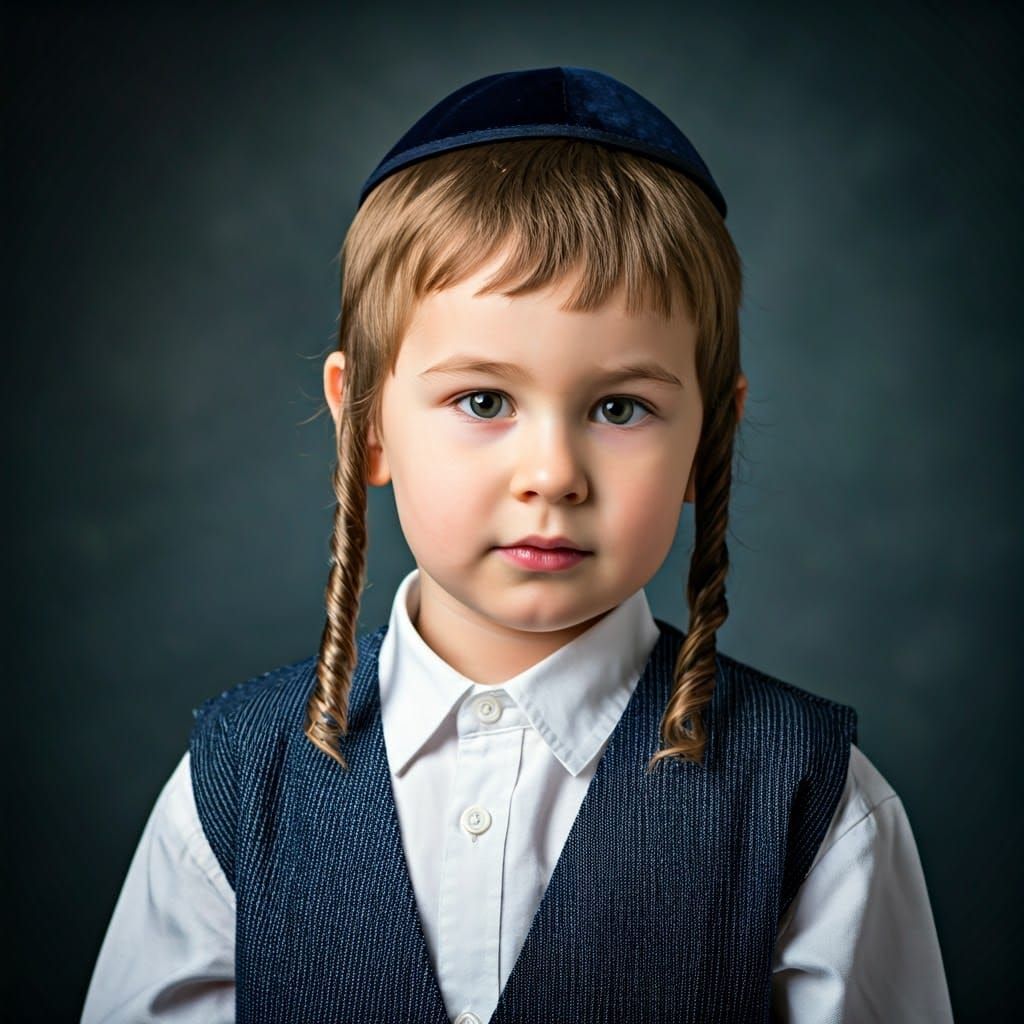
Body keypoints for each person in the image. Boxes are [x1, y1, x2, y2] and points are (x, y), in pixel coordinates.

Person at [81, 67, 955, 1023]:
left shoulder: (815, 803)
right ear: (364, 424)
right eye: (483, 401)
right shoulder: (235, 785)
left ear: (711, 437)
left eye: (619, 407)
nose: (554, 473)